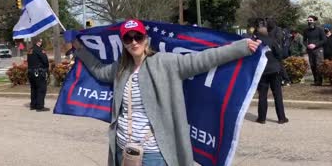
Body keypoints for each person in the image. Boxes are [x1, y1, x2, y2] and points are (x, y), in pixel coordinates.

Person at [71, 19, 261, 166]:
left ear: (146, 39)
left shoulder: (166, 63)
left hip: (153, 153)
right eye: (128, 38)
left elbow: (204, 59)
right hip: (123, 148)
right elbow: (98, 71)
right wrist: (80, 50)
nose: (134, 42)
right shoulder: (121, 68)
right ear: (123, 43)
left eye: (138, 36)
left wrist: (240, 47)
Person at [253, 25, 289, 125]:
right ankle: (281, 118)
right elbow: (279, 54)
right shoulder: (272, 41)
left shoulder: (255, 43)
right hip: (274, 70)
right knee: (277, 94)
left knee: (262, 95)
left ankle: (261, 118)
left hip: (262, 71)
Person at [27, 38, 50, 111]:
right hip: (39, 72)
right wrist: (47, 69)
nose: (41, 42)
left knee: (33, 89)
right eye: (40, 41)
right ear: (38, 42)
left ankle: (33, 105)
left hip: (30, 72)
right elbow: (45, 60)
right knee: (41, 89)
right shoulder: (39, 50)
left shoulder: (30, 50)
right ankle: (40, 106)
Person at [303, 15, 326, 86]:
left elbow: (324, 40)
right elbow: (304, 40)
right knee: (312, 65)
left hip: (318, 50)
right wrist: (307, 45)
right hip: (310, 50)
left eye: (311, 20)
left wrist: (315, 45)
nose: (309, 22)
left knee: (319, 65)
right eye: (308, 20)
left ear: (314, 21)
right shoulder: (306, 30)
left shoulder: (320, 30)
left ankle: (319, 81)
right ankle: (315, 80)